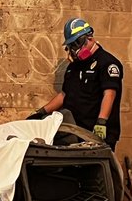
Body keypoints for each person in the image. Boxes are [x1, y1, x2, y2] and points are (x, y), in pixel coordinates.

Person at [29, 18, 123, 149]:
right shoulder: (74, 67)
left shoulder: (107, 63)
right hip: (74, 132)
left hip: (94, 133)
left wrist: (101, 122)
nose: (74, 49)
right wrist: (40, 112)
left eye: (76, 43)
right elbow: (64, 95)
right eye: (70, 46)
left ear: (89, 38)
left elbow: (109, 94)